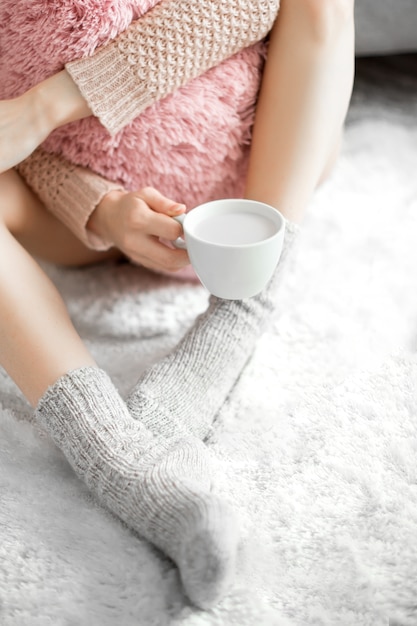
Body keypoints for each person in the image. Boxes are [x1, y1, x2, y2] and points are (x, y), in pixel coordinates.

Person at [0, 0, 355, 609]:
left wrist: (45, 106)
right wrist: (101, 207)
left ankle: (238, 313)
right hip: (68, 199)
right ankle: (115, 452)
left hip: (247, 162)